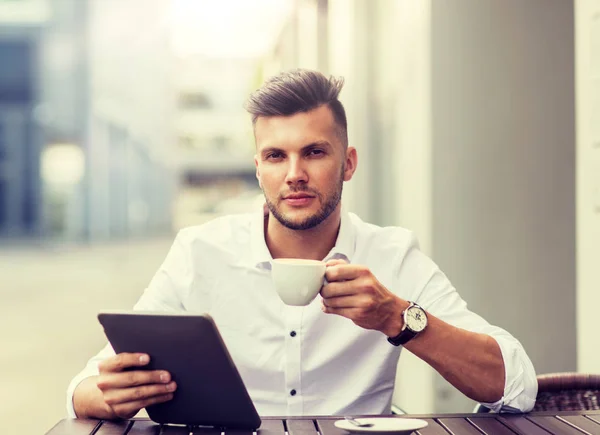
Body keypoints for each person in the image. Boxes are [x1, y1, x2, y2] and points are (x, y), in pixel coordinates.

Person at [67, 69, 537, 420]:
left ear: (348, 163)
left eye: (314, 152)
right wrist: (108, 396)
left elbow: (515, 385)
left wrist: (397, 317)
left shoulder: (390, 256)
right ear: (258, 168)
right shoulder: (199, 252)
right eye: (276, 156)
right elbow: (85, 386)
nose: (294, 174)